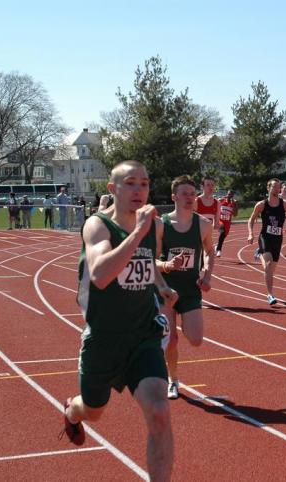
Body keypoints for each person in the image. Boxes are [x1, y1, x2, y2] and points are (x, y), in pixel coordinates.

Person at [62, 160, 177, 482]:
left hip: (143, 337)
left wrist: (162, 286)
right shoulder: (97, 226)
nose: (139, 190)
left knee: (159, 411)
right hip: (104, 339)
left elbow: (147, 261)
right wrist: (138, 231)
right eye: (130, 183)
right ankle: (72, 410)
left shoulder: (151, 225)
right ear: (113, 190)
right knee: (93, 411)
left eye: (144, 183)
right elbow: (99, 275)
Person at [159, 175, 215, 400]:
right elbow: (149, 260)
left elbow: (210, 252)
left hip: (191, 289)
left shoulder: (203, 224)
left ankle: (172, 325)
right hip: (166, 290)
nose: (190, 198)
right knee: (171, 340)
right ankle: (173, 381)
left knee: (196, 339)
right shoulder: (161, 224)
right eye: (184, 193)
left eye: (192, 194)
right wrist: (167, 265)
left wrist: (207, 276)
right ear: (174, 196)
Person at [247, 178, 286, 305]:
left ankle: (259, 253)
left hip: (278, 239)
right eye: (274, 187)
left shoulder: (285, 204)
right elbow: (251, 219)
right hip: (265, 237)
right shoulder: (261, 205)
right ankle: (270, 295)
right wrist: (251, 233)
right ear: (268, 188)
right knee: (268, 265)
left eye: (278, 187)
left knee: (271, 269)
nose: (276, 189)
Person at [215, 190, 238, 257]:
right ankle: (219, 250)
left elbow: (235, 214)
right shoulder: (221, 200)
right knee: (222, 233)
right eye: (229, 194)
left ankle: (217, 246)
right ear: (227, 194)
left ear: (233, 196)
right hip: (220, 220)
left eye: (231, 195)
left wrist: (234, 205)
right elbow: (215, 205)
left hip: (227, 222)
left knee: (224, 235)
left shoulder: (234, 203)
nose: (229, 196)